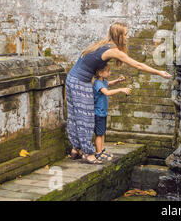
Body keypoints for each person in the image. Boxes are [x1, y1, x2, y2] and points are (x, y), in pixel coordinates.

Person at [66, 22, 172, 164]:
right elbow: (137, 65)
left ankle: (76, 149)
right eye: (126, 34)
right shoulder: (112, 50)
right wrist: (158, 72)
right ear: (119, 36)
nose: (128, 37)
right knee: (85, 118)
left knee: (76, 115)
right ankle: (87, 154)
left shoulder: (104, 43)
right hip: (79, 82)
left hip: (73, 78)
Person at [92, 64, 130, 161]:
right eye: (108, 71)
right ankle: (98, 153)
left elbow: (108, 84)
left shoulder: (103, 81)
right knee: (99, 134)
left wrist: (118, 81)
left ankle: (102, 150)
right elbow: (107, 92)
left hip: (103, 112)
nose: (110, 73)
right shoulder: (97, 83)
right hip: (98, 112)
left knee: (102, 132)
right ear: (100, 73)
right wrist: (121, 89)